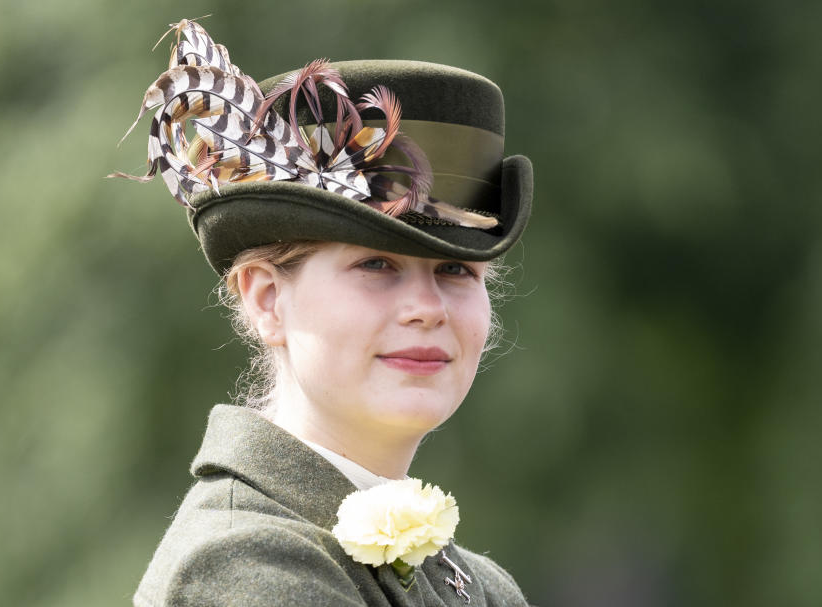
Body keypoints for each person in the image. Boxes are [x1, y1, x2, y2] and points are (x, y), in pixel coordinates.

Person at [116, 19, 533, 607]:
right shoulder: (243, 567)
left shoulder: (477, 586)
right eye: (376, 266)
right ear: (266, 299)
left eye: (456, 271)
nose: (426, 309)